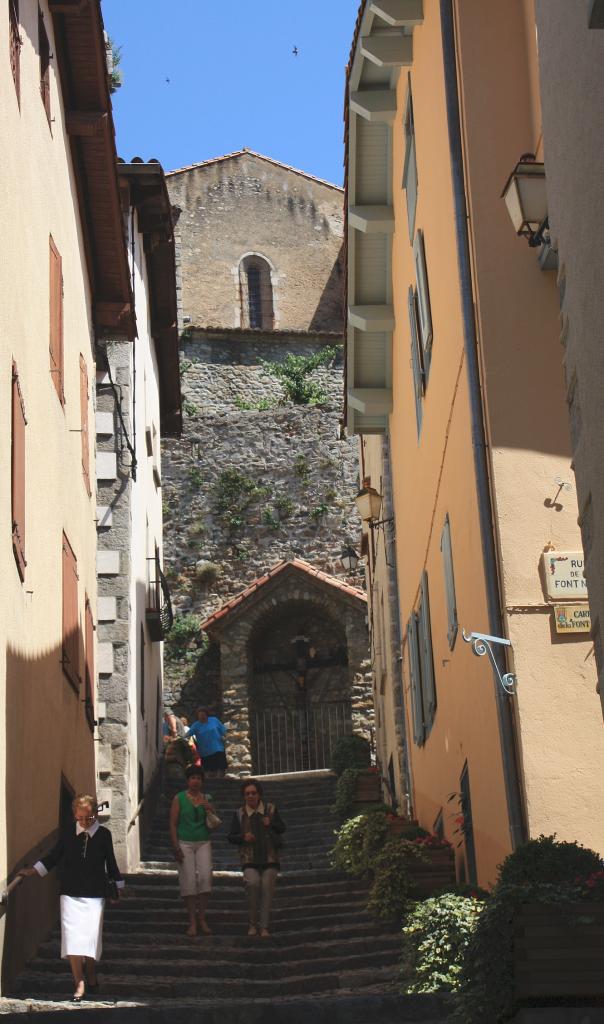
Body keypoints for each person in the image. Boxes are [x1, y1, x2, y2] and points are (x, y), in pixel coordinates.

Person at [18, 794, 123, 1002]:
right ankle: (79, 982)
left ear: (95, 814)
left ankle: (91, 973)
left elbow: (111, 862)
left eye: (88, 818)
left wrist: (118, 887)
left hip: (94, 894)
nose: (84, 822)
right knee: (73, 938)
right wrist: (33, 870)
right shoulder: (67, 834)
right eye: (80, 818)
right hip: (70, 893)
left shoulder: (104, 835)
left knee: (91, 938)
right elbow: (54, 856)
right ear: (75, 815)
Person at [227, 779, 285, 938]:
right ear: (243, 796)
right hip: (249, 859)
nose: (250, 796)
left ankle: (264, 927)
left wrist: (270, 823)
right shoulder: (239, 813)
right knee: (252, 885)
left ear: (259, 795)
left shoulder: (270, 809)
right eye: (247, 794)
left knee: (267, 890)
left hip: (270, 858)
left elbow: (282, 828)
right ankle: (253, 924)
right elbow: (231, 836)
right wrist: (243, 837)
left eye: (253, 793)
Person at [169, 764, 216, 936]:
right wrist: (175, 846)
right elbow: (173, 824)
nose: (195, 781)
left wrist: (209, 808)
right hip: (184, 842)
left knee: (205, 878)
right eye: (192, 778)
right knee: (188, 882)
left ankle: (202, 917)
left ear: (202, 781)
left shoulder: (207, 798)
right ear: (188, 780)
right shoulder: (179, 798)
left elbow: (214, 822)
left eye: (198, 778)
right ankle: (192, 921)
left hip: (203, 841)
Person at [186, 707, 228, 777]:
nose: (202, 717)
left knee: (220, 768)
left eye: (203, 715)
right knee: (207, 770)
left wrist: (226, 738)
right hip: (205, 752)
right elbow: (188, 734)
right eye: (200, 715)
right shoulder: (196, 725)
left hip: (217, 748)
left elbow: (224, 731)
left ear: (207, 715)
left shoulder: (214, 720)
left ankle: (219, 780)